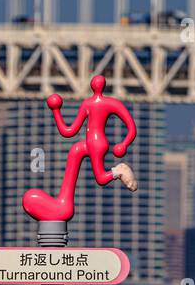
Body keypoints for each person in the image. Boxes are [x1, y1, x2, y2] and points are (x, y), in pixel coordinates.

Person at [22, 74, 138, 222]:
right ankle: (63, 204)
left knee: (102, 179)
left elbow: (68, 131)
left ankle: (120, 170)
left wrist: (56, 111)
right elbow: (69, 131)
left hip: (96, 144)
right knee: (75, 151)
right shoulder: (102, 103)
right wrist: (56, 111)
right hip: (90, 143)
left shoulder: (98, 103)